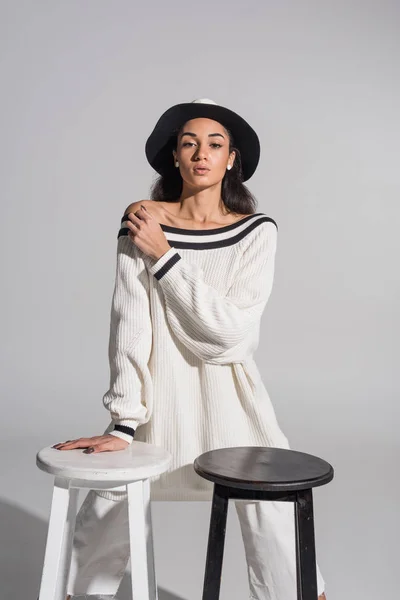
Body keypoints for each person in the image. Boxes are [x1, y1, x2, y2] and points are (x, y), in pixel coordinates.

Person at [53, 98, 327, 600]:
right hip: (157, 397)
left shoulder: (255, 232)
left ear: (232, 160)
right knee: (107, 508)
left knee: (276, 517)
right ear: (174, 158)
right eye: (189, 143)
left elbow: (231, 338)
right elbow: (130, 326)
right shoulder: (141, 223)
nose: (202, 152)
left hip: (233, 401)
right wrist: (123, 421)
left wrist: (165, 256)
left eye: (215, 144)